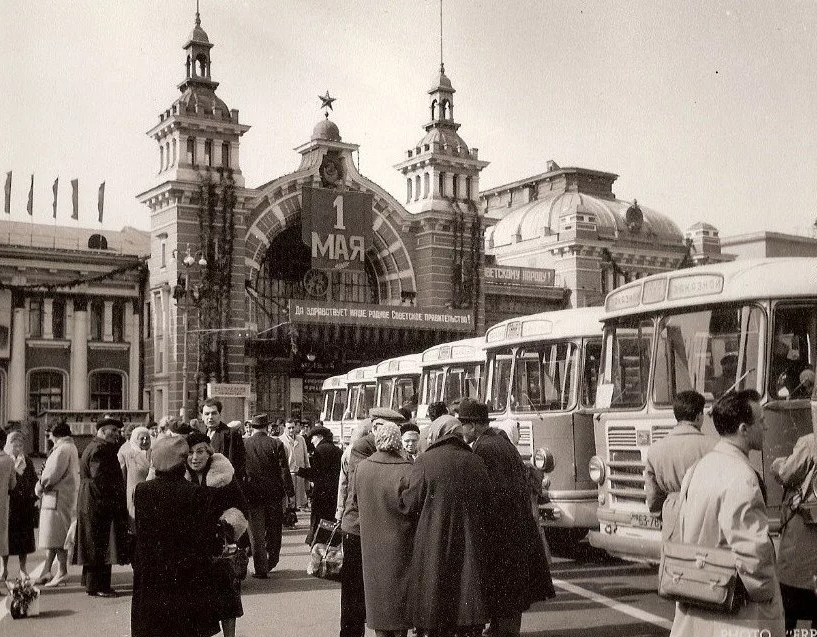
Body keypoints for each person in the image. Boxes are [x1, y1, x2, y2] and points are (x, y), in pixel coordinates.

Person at [668, 390, 784, 637]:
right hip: (736, 615)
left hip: (700, 598)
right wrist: (767, 595)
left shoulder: (698, 468)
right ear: (744, 429)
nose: (765, 427)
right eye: (761, 421)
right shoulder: (742, 478)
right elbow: (753, 552)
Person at [458, 399, 555, 637]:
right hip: (516, 530)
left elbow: (488, 493)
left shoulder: (484, 448)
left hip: (501, 534)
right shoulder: (501, 442)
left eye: (463, 424)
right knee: (510, 593)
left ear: (473, 425)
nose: (462, 430)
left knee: (504, 592)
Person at [401, 414, 490, 637]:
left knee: (434, 603)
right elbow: (489, 502)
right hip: (470, 543)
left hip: (433, 542)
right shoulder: (475, 461)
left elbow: (409, 504)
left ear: (438, 434)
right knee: (464, 603)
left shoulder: (424, 461)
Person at [131, 436, 221, 637]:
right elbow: (206, 537)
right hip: (186, 572)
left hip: (151, 571)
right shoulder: (195, 493)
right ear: (181, 462)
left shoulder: (143, 490)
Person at [339, 408, 406, 637]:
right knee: (354, 591)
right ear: (376, 426)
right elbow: (361, 486)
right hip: (357, 527)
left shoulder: (395, 448)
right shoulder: (363, 447)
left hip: (374, 526)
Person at [354, 422, 414, 637]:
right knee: (400, 605)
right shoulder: (407, 469)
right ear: (398, 441)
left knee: (378, 604)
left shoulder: (362, 468)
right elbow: (413, 508)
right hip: (401, 545)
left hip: (371, 548)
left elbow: (354, 501)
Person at [186, 430, 248, 637]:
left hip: (222, 547)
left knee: (227, 599)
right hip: (194, 548)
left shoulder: (225, 476)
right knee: (200, 603)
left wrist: (227, 531)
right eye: (190, 453)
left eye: (200, 452)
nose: (195, 457)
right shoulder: (183, 478)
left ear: (209, 452)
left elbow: (240, 509)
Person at [644, 390, 715, 533]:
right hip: (705, 518)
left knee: (674, 554)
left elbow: (653, 497)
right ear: (699, 416)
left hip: (672, 517)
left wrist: (664, 514)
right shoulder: (714, 446)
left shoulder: (655, 449)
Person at [74, 416, 130, 598]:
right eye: (113, 430)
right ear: (102, 431)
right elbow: (100, 479)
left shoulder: (95, 446)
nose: (117, 434)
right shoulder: (101, 449)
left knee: (93, 542)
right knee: (101, 543)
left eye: (118, 431)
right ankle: (100, 586)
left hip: (90, 500)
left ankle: (92, 584)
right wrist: (114, 501)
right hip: (99, 502)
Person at [771, 432, 817, 631]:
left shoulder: (810, 442)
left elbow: (785, 473)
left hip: (805, 529)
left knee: (790, 603)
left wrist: (778, 463)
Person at [242, 413, 294, 578]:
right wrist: (290, 493)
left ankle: (261, 568)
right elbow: (284, 471)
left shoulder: (245, 444)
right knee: (274, 529)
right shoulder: (276, 443)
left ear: (252, 427)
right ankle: (272, 560)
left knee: (256, 532)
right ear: (267, 427)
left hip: (252, 494)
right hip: (273, 494)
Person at [34, 421, 80, 587]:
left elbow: (50, 475)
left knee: (57, 535)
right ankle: (47, 570)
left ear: (54, 434)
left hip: (56, 497)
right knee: (54, 535)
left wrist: (39, 487)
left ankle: (62, 571)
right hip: (63, 496)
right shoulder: (71, 447)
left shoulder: (62, 449)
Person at [297, 425, 342, 544]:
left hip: (321, 493)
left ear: (320, 437)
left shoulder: (319, 451)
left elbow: (315, 473)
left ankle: (317, 543)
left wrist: (300, 471)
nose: (311, 441)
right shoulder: (337, 450)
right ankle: (330, 542)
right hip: (334, 493)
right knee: (330, 520)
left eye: (313, 438)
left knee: (318, 520)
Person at [2, 431, 37, 581]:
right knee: (6, 538)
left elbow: (34, 480)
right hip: (9, 505)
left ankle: (23, 568)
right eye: (15, 445)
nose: (17, 448)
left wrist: (34, 496)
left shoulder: (27, 461)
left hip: (24, 505)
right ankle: (4, 568)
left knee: (24, 539)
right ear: (8, 445)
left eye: (20, 445)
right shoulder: (5, 460)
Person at [201, 398, 247, 482]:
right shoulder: (202, 435)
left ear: (220, 414)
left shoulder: (231, 434)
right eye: (207, 414)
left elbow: (237, 464)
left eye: (214, 413)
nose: (210, 417)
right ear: (202, 416)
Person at [117, 426, 152, 531]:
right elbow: (122, 479)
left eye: (147, 438)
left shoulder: (154, 453)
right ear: (135, 440)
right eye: (142, 439)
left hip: (151, 496)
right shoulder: (126, 455)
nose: (145, 441)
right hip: (133, 497)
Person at [279, 419, 310, 510]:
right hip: (288, 475)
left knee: (299, 503)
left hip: (300, 474)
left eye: (293, 427)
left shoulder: (301, 439)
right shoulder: (280, 440)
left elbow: (306, 458)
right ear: (284, 428)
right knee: (288, 503)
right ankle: (290, 521)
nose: (292, 430)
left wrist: (307, 472)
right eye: (289, 428)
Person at [0, 429, 17, 581]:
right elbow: (13, 484)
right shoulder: (9, 460)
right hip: (3, 505)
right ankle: (4, 570)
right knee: (3, 539)